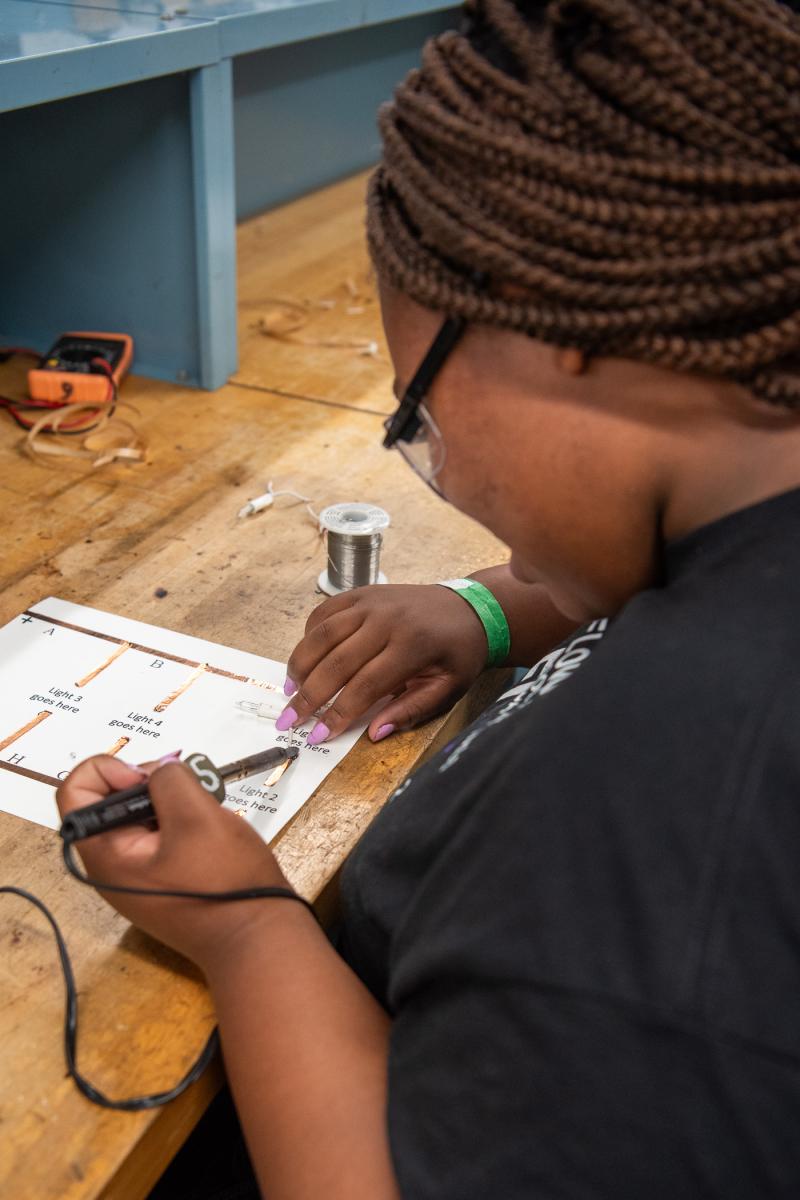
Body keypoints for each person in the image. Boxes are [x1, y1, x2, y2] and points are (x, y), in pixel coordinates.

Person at [57, 1, 800, 1196]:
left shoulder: (664, 825)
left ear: (562, 327)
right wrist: (499, 607)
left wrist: (246, 923)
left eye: (418, 416)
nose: (436, 465)